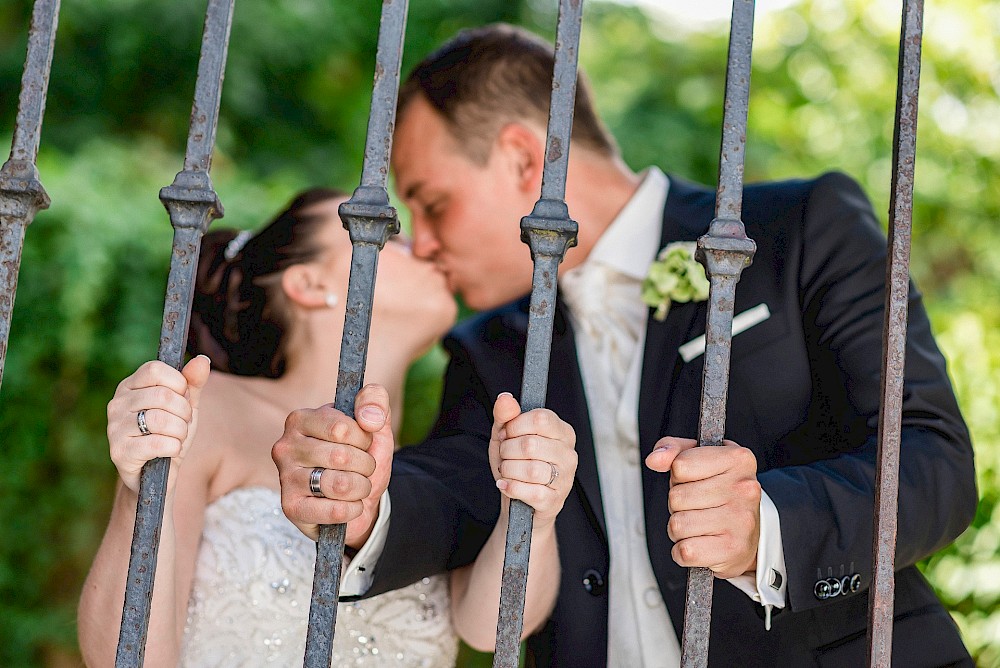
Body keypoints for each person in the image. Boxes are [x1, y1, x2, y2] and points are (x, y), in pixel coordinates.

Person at [270, 24, 978, 667]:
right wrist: (366, 507)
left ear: (523, 158)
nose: (420, 241)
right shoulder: (488, 347)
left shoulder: (798, 228)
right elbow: (456, 491)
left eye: (432, 201)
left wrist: (765, 525)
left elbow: (933, 461)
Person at [77, 187, 579, 666]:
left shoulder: (435, 476)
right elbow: (130, 655)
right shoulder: (211, 412)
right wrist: (138, 487)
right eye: (388, 234)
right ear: (310, 284)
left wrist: (535, 512)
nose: (425, 247)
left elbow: (493, 629)